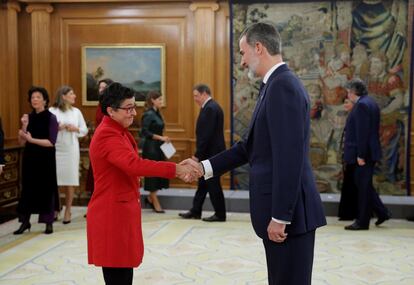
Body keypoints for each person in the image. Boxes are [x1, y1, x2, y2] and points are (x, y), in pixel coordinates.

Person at [183, 22, 326, 285]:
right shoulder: (273, 86)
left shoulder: (282, 86)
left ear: (258, 47)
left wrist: (281, 217)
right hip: (284, 216)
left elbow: (289, 158)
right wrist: (204, 167)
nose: (242, 60)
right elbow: (248, 147)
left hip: (289, 219)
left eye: (242, 52)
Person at [86, 82, 198, 285]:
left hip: (120, 212)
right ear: (111, 110)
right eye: (128, 108)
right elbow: (133, 165)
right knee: (118, 277)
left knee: (124, 274)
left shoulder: (117, 130)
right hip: (111, 215)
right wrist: (176, 169)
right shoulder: (107, 135)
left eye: (133, 106)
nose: (133, 113)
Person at [343, 78, 390, 230]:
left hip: (364, 153)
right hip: (368, 152)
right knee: (365, 185)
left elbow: (362, 133)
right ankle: (382, 212)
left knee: (362, 188)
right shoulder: (370, 102)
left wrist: (361, 155)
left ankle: (362, 222)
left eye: (348, 91)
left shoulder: (362, 105)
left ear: (353, 92)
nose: (347, 94)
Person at [14, 86, 59, 235]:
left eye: (38, 97)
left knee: (46, 188)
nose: (35, 100)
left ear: (45, 100)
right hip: (30, 159)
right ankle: (25, 222)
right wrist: (24, 126)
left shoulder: (51, 118)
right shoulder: (27, 117)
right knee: (28, 189)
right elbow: (21, 142)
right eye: (33, 97)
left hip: (46, 159)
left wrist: (31, 139)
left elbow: (51, 142)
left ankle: (48, 222)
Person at [179, 84, 226, 222]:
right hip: (210, 153)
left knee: (213, 184)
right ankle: (196, 210)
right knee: (203, 183)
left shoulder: (210, 108)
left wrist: (197, 155)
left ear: (204, 93)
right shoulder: (210, 107)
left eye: (196, 95)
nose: (195, 99)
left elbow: (206, 135)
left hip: (210, 154)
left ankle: (220, 214)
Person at [50, 86, 88, 224]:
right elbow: (46, 129)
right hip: (55, 149)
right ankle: (55, 208)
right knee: (54, 181)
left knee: (70, 180)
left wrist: (75, 128)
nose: (75, 96)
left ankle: (68, 210)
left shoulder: (76, 112)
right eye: (71, 94)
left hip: (71, 149)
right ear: (63, 96)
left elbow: (84, 130)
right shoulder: (52, 111)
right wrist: (57, 127)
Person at [139, 91, 170, 213]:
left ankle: (150, 198)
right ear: (153, 100)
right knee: (152, 173)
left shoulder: (157, 113)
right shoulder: (148, 114)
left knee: (159, 172)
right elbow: (144, 132)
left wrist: (163, 138)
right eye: (160, 100)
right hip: (151, 148)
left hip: (159, 147)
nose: (161, 102)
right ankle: (154, 200)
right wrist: (161, 138)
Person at [85, 79, 113, 203]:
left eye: (104, 87)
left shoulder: (111, 106)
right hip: (97, 142)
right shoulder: (99, 104)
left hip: (108, 143)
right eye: (99, 87)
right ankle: (95, 203)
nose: (100, 90)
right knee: (95, 175)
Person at [338, 98, 358, 221]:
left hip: (354, 157)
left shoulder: (356, 116)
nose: (345, 105)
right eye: (344, 102)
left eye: (347, 102)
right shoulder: (351, 116)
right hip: (349, 156)